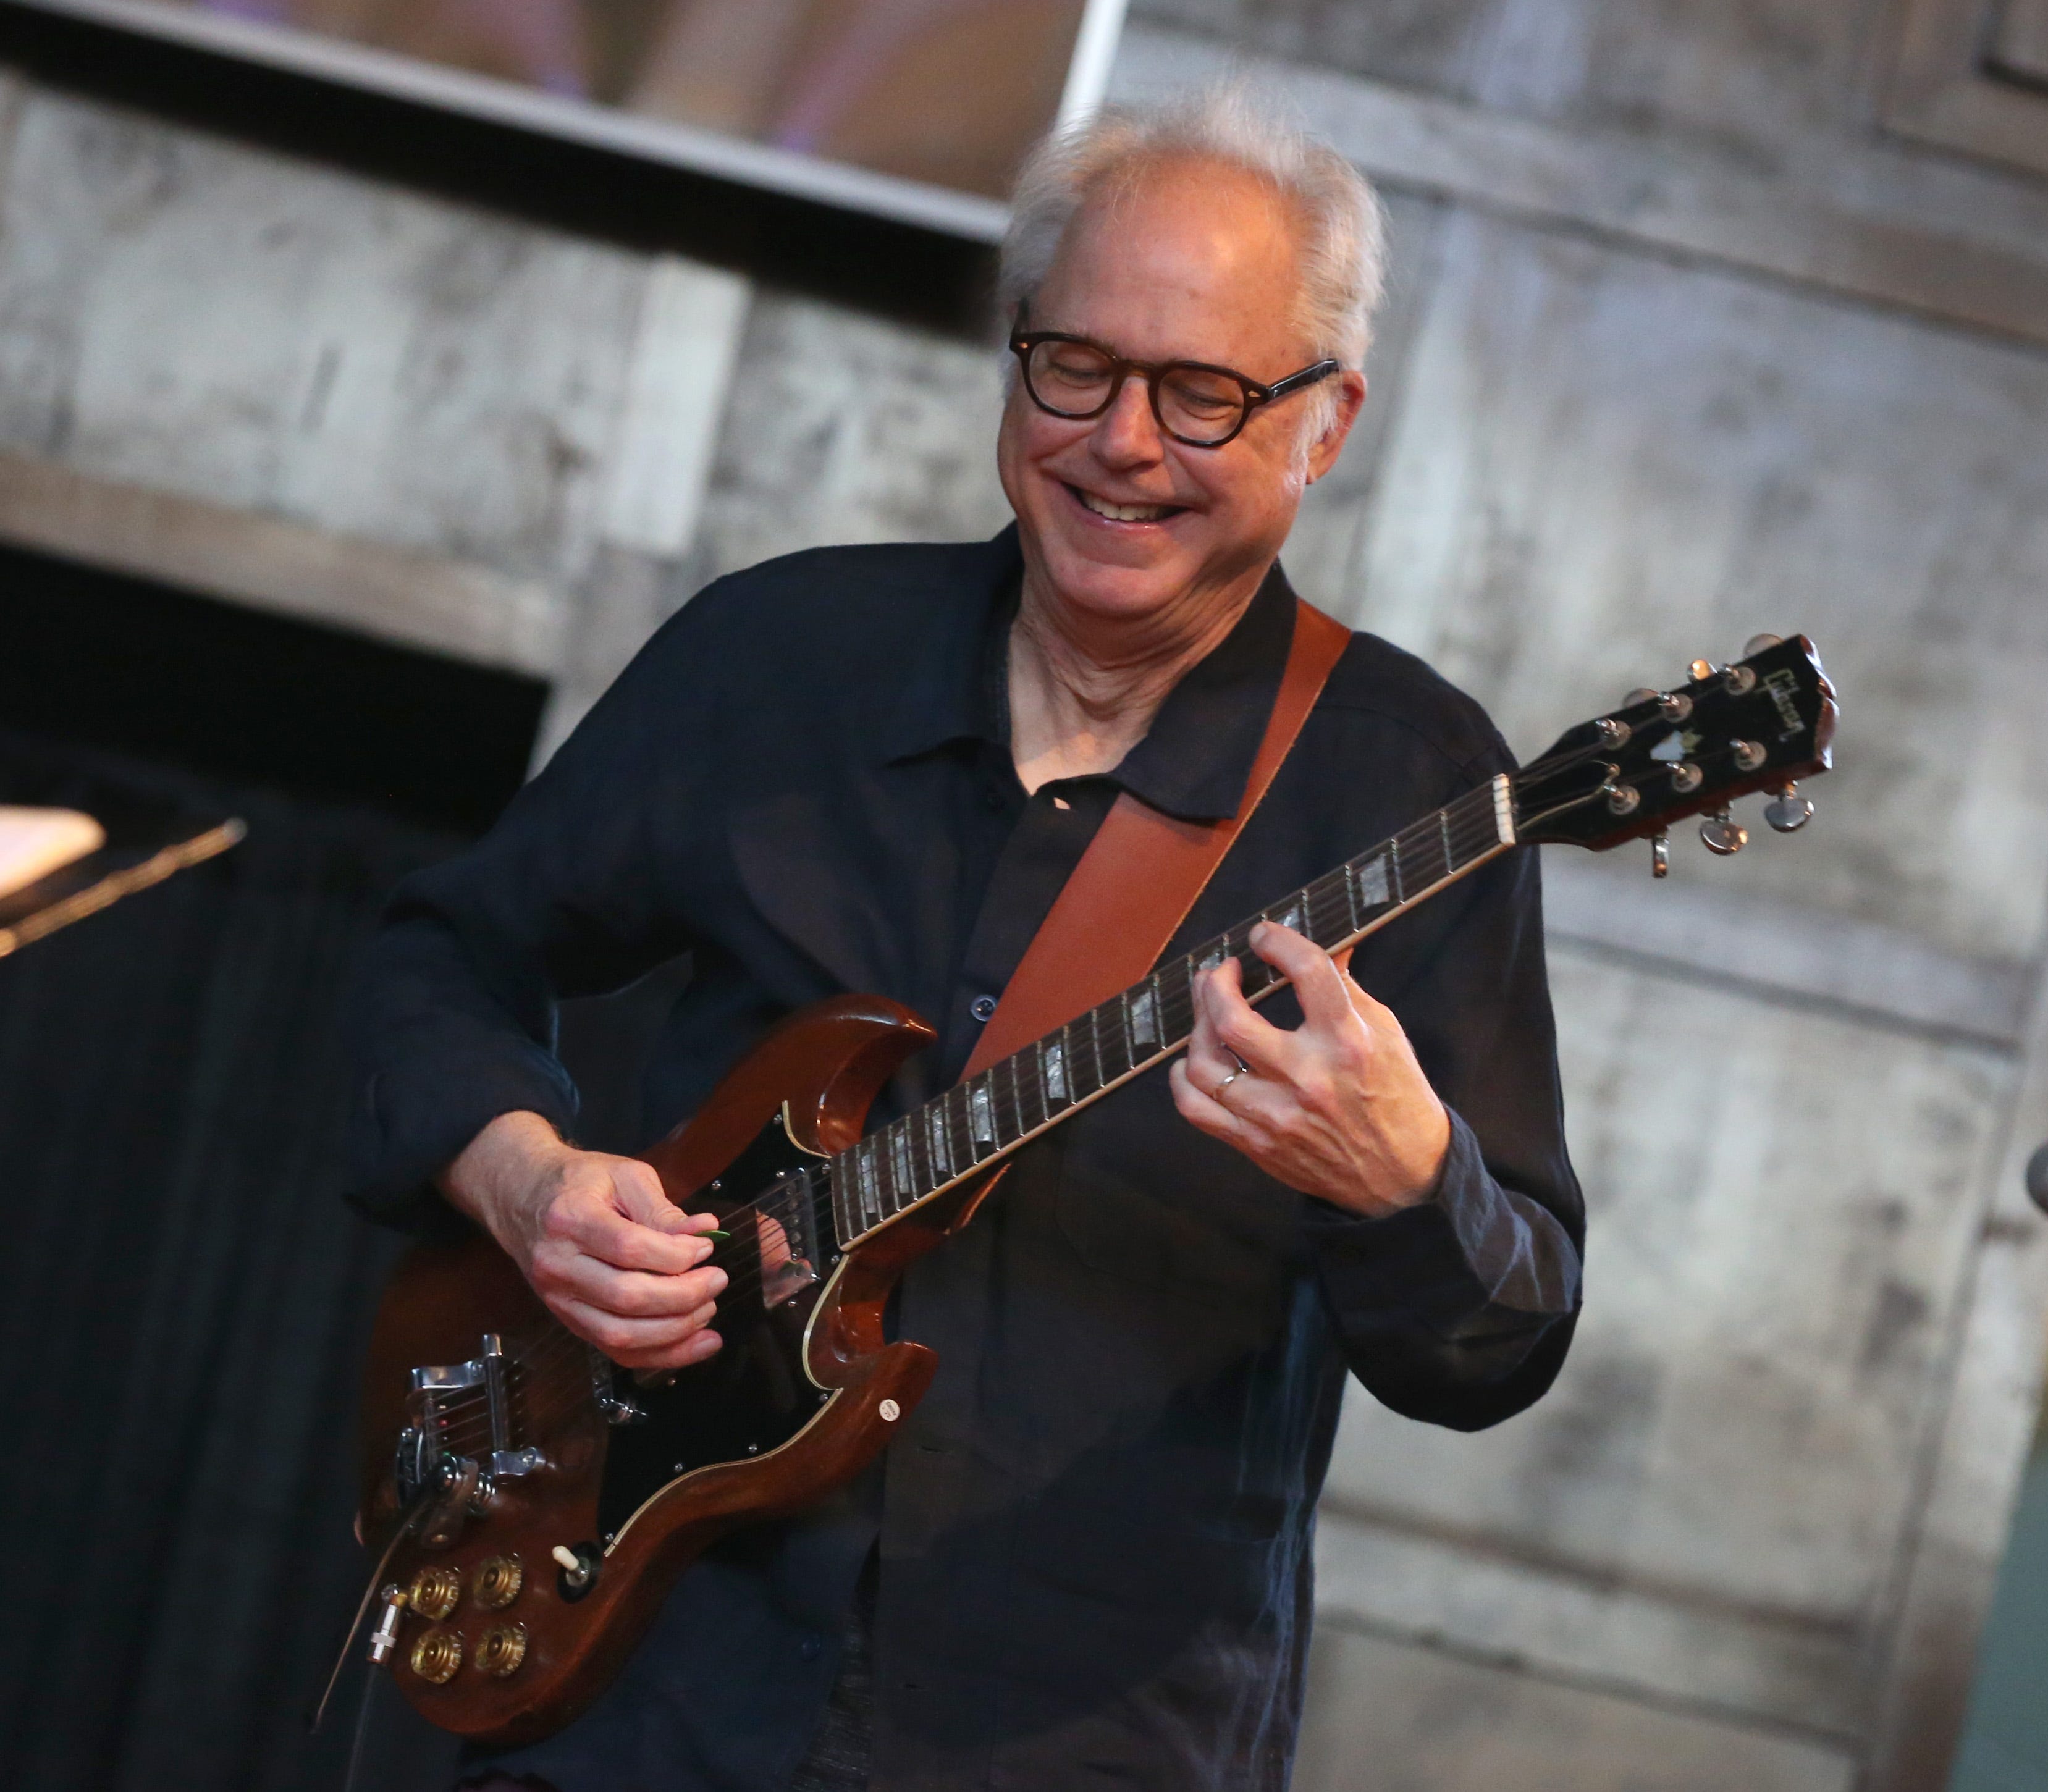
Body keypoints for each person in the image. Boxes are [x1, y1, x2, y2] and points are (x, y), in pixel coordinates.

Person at [346, 86, 1585, 1792]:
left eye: (1205, 393)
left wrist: (1406, 1176)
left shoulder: (1412, 789)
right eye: (1073, 364)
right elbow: (435, 955)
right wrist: (527, 1184)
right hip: (642, 1691)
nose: (1122, 443)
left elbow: (1502, 1344)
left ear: (1327, 425)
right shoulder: (785, 657)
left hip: (1067, 1737)